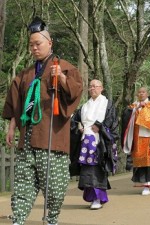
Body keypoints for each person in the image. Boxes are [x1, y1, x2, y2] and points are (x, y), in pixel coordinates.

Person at [2, 17, 83, 225]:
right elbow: (15, 101)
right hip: (28, 139)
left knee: (55, 188)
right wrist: (11, 127)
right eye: (31, 45)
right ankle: (18, 220)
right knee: (23, 183)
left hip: (52, 138)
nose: (34, 48)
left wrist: (62, 79)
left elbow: (75, 92)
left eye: (38, 44)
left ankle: (51, 219)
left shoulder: (65, 68)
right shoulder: (25, 74)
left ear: (50, 42)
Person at [70, 80, 119, 209]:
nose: (93, 89)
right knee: (87, 169)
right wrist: (79, 127)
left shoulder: (107, 104)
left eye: (95, 86)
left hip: (100, 142)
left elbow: (111, 120)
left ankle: (98, 197)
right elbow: (75, 120)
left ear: (101, 88)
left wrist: (100, 126)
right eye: (90, 86)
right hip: (86, 140)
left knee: (97, 168)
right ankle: (92, 197)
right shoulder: (85, 105)